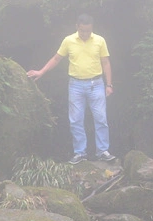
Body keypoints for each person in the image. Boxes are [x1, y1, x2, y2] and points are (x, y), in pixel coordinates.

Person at [28, 14, 116, 164]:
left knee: (100, 118)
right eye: (82, 31)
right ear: (77, 27)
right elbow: (56, 58)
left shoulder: (99, 41)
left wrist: (109, 84)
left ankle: (102, 151)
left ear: (92, 28)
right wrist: (41, 72)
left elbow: (106, 62)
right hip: (76, 85)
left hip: (96, 84)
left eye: (88, 31)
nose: (85, 34)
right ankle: (80, 152)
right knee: (76, 120)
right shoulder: (68, 41)